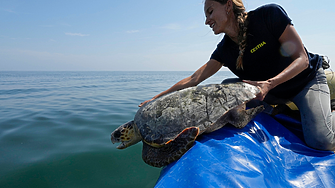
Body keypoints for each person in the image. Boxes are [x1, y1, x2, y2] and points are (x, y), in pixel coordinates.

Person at [139, 0, 335, 151]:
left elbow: (302, 59)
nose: (206, 20)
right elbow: (194, 80)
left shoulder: (269, 15)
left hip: (305, 82)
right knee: (227, 86)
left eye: (210, 12)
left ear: (228, 6)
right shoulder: (224, 50)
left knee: (321, 141)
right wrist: (157, 98)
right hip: (273, 93)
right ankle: (281, 111)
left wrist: (269, 84)